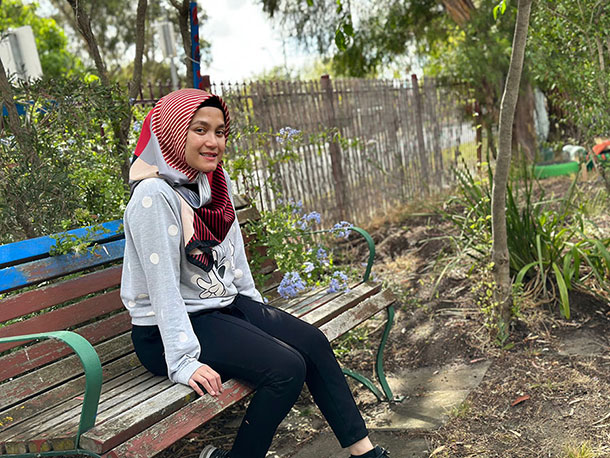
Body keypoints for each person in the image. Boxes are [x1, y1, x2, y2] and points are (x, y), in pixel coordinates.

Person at [120, 88, 390, 458]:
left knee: (311, 342)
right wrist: (182, 361)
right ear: (172, 130)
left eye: (220, 131)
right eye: (200, 129)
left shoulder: (213, 183)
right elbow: (162, 285)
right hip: (166, 333)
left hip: (220, 309)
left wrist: (261, 318)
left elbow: (236, 257)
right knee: (286, 368)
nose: (213, 141)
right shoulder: (153, 196)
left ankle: (365, 454)